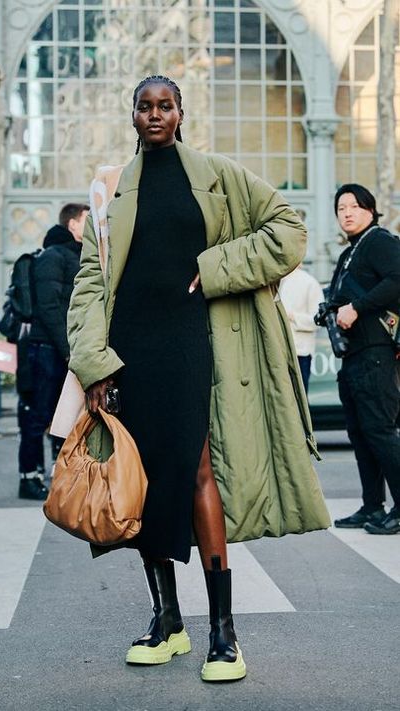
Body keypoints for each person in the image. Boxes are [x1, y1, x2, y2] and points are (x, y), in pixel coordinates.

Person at [68, 75, 330, 682]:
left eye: (165, 106)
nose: (155, 115)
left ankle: (224, 633)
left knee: (196, 470)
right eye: (144, 107)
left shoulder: (216, 173)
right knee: (143, 478)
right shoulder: (111, 189)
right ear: (132, 116)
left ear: (181, 113)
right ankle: (168, 622)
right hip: (129, 351)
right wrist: (94, 363)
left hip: (194, 343)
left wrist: (216, 266)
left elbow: (287, 229)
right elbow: (89, 284)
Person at [329, 184, 400, 535]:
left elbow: (398, 280)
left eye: (354, 206)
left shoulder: (379, 242)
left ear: (370, 210)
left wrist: (357, 307)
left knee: (381, 432)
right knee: (360, 434)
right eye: (340, 208)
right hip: (353, 356)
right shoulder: (351, 252)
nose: (347, 213)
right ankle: (373, 505)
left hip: (376, 354)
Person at [17, 202, 89, 500]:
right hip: (48, 349)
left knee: (66, 416)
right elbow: (50, 307)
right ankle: (28, 477)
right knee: (40, 415)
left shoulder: (74, 256)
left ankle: (59, 475)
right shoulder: (53, 257)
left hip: (59, 348)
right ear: (73, 224)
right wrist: (69, 349)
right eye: (87, 219)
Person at [279, 264, 324, 393]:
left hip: (300, 352)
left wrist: (292, 316)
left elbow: (318, 320)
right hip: (277, 351)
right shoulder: (274, 280)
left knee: (299, 397)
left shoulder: (309, 282)